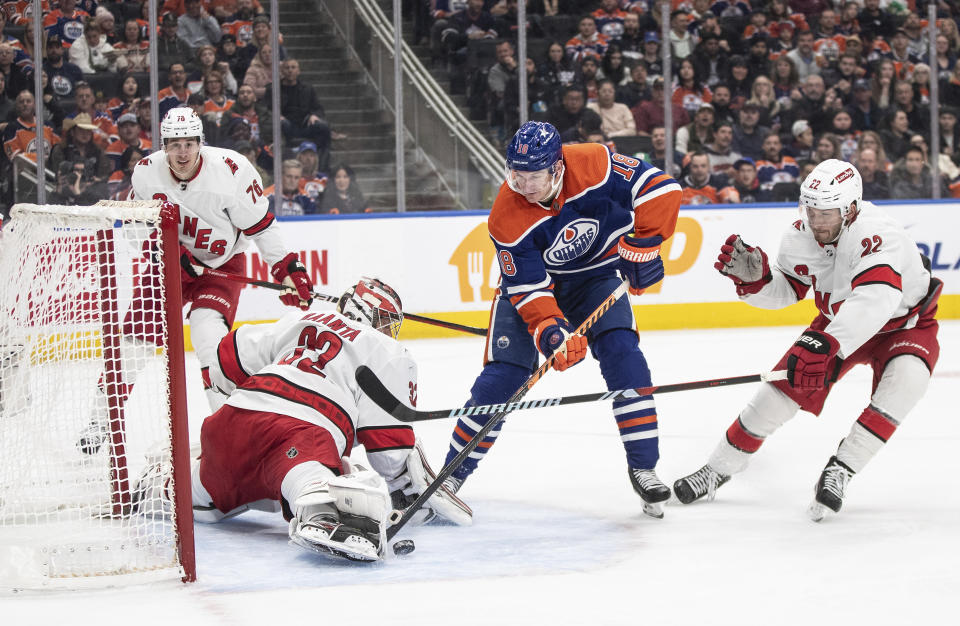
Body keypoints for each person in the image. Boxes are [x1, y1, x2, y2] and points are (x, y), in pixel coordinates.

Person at [673, 160, 942, 521]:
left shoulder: (878, 234)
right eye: (811, 211)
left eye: (825, 213)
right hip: (838, 324)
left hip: (904, 326)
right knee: (778, 393)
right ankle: (718, 468)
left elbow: (877, 298)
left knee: (906, 383)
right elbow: (789, 290)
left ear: (850, 209)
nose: (816, 222)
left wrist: (830, 344)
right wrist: (757, 283)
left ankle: (840, 471)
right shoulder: (800, 235)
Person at [440, 121, 682, 518]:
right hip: (538, 287)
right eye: (516, 174)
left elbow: (662, 188)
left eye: (533, 175)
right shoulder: (506, 214)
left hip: (598, 276)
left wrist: (644, 246)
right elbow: (528, 289)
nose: (523, 184)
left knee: (624, 353)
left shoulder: (595, 163)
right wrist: (551, 331)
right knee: (504, 377)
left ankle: (643, 468)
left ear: (557, 168)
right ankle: (451, 475)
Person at [137, 278, 472, 562]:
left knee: (204, 497)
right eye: (386, 320)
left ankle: (162, 485)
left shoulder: (302, 318)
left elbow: (226, 360)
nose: (388, 330)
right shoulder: (385, 349)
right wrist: (404, 481)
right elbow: (388, 450)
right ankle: (322, 512)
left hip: (231, 422)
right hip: (299, 433)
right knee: (309, 476)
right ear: (372, 313)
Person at [76, 107, 316, 455]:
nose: (183, 152)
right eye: (175, 144)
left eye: (190, 143)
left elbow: (261, 227)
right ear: (164, 146)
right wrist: (168, 255)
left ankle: (225, 426)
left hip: (221, 265)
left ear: (200, 143)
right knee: (132, 346)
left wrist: (286, 268)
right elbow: (132, 227)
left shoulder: (230, 172)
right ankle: (101, 421)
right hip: (166, 267)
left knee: (208, 336)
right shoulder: (146, 173)